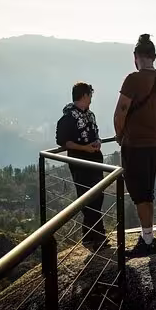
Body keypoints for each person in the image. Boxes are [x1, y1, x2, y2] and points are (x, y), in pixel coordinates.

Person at [114, 34, 156, 258]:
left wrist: (119, 135)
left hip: (135, 143)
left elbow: (120, 112)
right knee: (148, 192)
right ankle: (148, 236)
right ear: (154, 56)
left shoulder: (132, 79)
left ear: (136, 57)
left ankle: (147, 241)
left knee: (138, 194)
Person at [56, 82, 108, 249]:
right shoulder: (68, 117)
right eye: (90, 96)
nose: (91, 100)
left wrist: (98, 142)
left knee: (98, 196)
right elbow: (64, 141)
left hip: (95, 159)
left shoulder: (90, 115)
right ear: (84, 96)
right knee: (87, 197)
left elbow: (95, 132)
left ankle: (91, 235)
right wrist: (84, 148)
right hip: (79, 162)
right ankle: (96, 236)